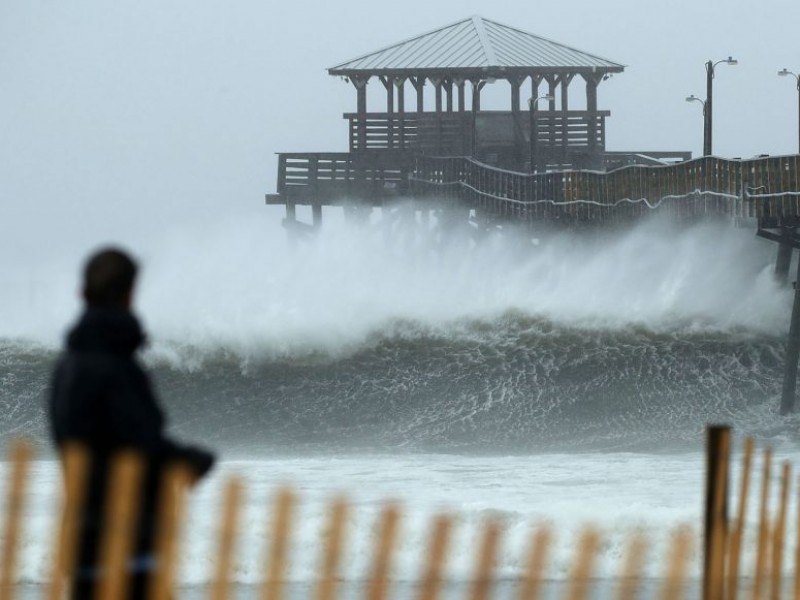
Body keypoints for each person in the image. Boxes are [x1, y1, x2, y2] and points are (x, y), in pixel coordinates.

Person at [48, 247, 215, 600]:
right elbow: (140, 445)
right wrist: (190, 460)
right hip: (126, 544)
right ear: (129, 295)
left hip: (83, 539)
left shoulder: (66, 366)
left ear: (83, 294)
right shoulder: (114, 366)